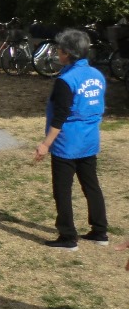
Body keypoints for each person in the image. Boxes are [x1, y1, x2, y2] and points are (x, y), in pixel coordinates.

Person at [33, 28, 108, 250]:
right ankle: (100, 231)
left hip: (67, 143)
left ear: (67, 53)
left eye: (59, 50)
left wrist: (45, 144)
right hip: (89, 140)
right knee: (91, 185)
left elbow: (60, 116)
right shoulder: (97, 75)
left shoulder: (66, 80)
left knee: (62, 190)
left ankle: (67, 236)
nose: (57, 53)